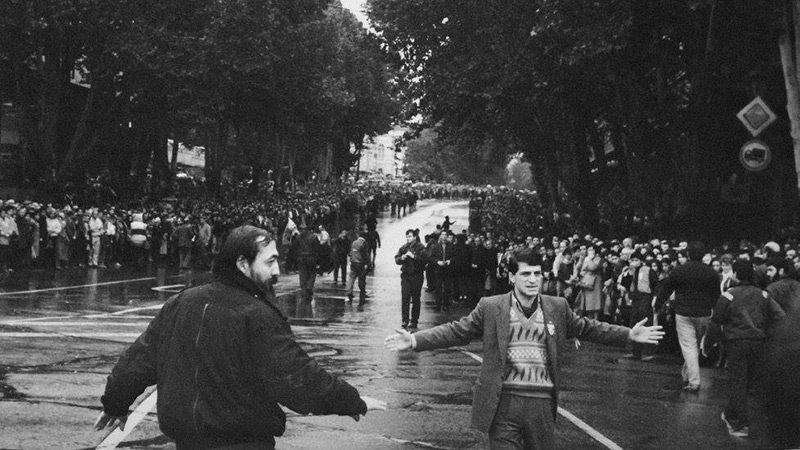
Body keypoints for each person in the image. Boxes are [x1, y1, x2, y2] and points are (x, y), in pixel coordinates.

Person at [94, 225, 385, 448]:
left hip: (188, 440)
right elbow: (295, 376)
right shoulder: (257, 314)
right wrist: (349, 400)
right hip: (242, 440)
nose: (277, 270)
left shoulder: (182, 301)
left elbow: (139, 359)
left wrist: (116, 403)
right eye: (270, 262)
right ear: (243, 264)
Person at [385, 247, 663, 449]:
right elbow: (458, 330)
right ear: (512, 277)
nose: (533, 280)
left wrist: (629, 334)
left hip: (541, 403)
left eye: (537, 274)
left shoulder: (557, 307)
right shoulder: (491, 307)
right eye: (526, 274)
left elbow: (590, 328)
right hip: (503, 402)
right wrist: (416, 340)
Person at [702, 258, 784, 438]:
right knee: (747, 383)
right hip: (759, 343)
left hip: (736, 343)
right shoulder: (763, 295)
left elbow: (716, 323)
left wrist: (707, 346)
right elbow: (779, 316)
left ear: (737, 274)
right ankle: (731, 414)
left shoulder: (728, 295)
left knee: (738, 382)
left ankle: (740, 425)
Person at [654, 241, 720, 392]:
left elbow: (667, 288)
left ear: (688, 254)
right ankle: (688, 374)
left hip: (683, 312)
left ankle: (693, 380)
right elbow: (717, 296)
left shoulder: (680, 271)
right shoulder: (711, 273)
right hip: (704, 313)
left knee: (689, 346)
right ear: (704, 255)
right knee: (694, 346)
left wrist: (658, 304)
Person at [395, 229, 428, 329]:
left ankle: (414, 321)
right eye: (407, 236)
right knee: (405, 298)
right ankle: (405, 320)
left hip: (417, 275)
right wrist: (401, 258)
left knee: (416, 299)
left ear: (414, 237)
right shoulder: (404, 247)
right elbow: (397, 258)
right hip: (406, 275)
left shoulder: (420, 247)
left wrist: (414, 256)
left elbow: (425, 260)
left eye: (410, 236)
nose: (408, 238)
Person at [293, 223, 321, 302]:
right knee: (312, 273)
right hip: (311, 258)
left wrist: (296, 259)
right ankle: (309, 287)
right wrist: (318, 260)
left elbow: (295, 249)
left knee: (302, 274)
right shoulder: (313, 237)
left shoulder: (298, 237)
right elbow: (317, 249)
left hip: (301, 258)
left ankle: (304, 289)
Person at [347, 232, 369, 302]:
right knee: (361, 278)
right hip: (360, 263)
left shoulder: (354, 243)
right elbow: (364, 254)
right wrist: (367, 263)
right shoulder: (363, 243)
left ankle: (349, 292)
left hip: (353, 262)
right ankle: (362, 292)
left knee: (352, 277)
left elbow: (350, 252)